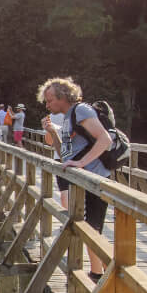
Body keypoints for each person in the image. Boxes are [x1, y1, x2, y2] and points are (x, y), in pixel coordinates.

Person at [36, 77, 114, 279]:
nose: (47, 104)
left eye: (50, 100)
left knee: (92, 230)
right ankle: (100, 274)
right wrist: (53, 133)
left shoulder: (81, 111)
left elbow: (105, 139)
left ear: (63, 97)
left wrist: (82, 163)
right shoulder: (70, 116)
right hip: (83, 182)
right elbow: (66, 157)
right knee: (87, 229)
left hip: (95, 180)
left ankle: (108, 275)